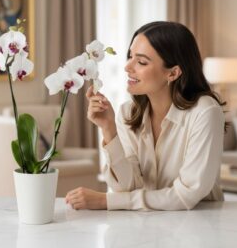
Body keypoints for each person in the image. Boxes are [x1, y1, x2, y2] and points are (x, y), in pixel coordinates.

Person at [65, 21, 226, 211]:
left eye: (141, 62)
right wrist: (108, 129)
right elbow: (128, 187)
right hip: (148, 225)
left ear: (173, 73)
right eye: (130, 56)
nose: (127, 67)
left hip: (202, 225)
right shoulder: (127, 112)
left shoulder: (205, 111)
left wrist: (105, 201)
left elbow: (186, 195)